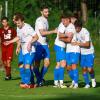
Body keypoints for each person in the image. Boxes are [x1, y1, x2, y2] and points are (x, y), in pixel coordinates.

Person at [5, 13, 38, 88]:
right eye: (16, 23)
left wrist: (30, 43)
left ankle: (27, 83)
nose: (18, 25)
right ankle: (29, 82)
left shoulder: (28, 28)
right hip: (23, 50)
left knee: (27, 66)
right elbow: (19, 37)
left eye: (19, 23)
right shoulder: (18, 27)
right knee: (20, 65)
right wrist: (11, 43)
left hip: (30, 50)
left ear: (23, 21)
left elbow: (36, 37)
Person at [34, 6, 57, 86]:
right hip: (38, 45)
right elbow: (42, 33)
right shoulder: (39, 20)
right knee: (37, 64)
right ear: (41, 12)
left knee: (47, 63)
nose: (47, 13)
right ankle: (39, 80)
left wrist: (46, 41)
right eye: (45, 12)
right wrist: (53, 31)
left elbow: (44, 34)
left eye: (48, 12)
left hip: (44, 44)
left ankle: (39, 79)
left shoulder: (46, 20)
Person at [72, 20, 96, 88]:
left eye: (77, 28)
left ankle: (93, 79)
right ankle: (87, 84)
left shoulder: (85, 31)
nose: (76, 29)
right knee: (84, 68)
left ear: (80, 27)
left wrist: (78, 43)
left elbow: (87, 44)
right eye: (75, 27)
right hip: (82, 53)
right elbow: (73, 41)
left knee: (89, 69)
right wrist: (73, 42)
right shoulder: (75, 32)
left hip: (89, 52)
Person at [59, 14, 80, 88]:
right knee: (68, 67)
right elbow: (60, 35)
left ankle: (76, 83)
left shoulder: (71, 27)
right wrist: (62, 36)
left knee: (73, 65)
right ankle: (74, 81)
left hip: (74, 49)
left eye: (64, 20)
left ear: (68, 20)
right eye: (62, 21)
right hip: (68, 49)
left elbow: (68, 39)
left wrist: (61, 38)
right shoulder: (67, 27)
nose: (63, 22)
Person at [53, 16, 67, 88]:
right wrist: (69, 36)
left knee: (58, 64)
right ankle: (61, 83)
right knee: (63, 63)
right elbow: (60, 36)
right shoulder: (62, 25)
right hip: (60, 45)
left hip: (58, 45)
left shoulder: (62, 24)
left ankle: (56, 82)